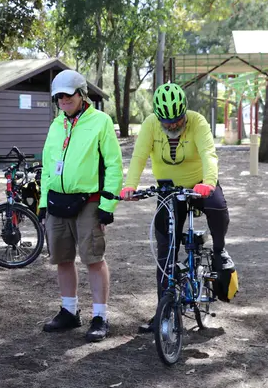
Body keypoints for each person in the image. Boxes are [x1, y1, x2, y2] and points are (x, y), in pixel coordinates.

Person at [119, 82, 235, 333]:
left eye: (177, 119)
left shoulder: (198, 122)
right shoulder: (151, 124)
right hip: (169, 189)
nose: (172, 124)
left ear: (185, 112)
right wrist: (130, 186)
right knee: (165, 251)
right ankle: (164, 310)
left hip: (199, 184)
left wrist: (209, 182)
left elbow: (209, 154)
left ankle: (219, 250)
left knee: (217, 207)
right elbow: (139, 156)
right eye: (166, 120)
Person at [38, 69, 123, 342]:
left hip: (89, 201)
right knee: (62, 259)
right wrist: (42, 203)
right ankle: (69, 311)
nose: (63, 100)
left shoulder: (101, 122)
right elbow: (47, 167)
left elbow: (113, 165)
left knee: (93, 259)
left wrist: (108, 205)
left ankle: (100, 316)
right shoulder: (56, 125)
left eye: (67, 95)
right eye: (58, 96)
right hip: (57, 202)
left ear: (81, 94)